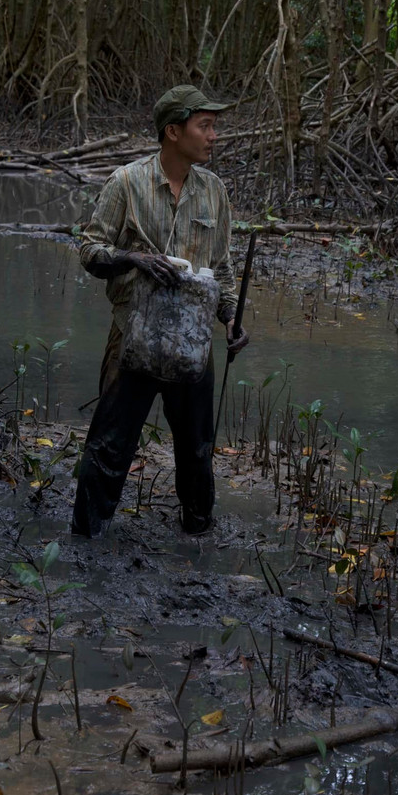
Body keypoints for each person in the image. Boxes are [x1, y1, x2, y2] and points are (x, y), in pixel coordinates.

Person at [72, 85, 249, 538]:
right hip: (133, 338)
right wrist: (133, 259)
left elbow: (222, 270)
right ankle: (85, 542)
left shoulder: (215, 192)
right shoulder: (126, 182)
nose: (214, 136)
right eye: (204, 126)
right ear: (173, 131)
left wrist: (231, 317)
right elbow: (89, 250)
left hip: (192, 345)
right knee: (109, 448)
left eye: (214, 127)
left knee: (196, 451)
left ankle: (198, 541)